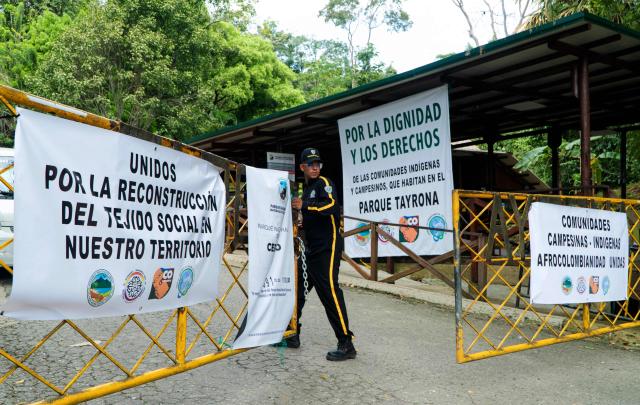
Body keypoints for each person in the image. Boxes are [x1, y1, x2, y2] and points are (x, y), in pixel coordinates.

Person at [288, 147, 356, 361]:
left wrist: (305, 206)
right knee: (297, 288)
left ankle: (346, 343)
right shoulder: (306, 190)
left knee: (330, 293)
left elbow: (332, 206)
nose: (315, 167)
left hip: (329, 246)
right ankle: (292, 333)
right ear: (302, 167)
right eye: (311, 164)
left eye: (318, 163)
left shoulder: (324, 183)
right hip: (311, 248)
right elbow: (311, 215)